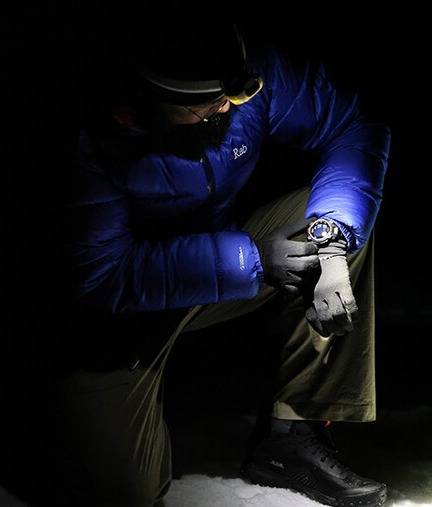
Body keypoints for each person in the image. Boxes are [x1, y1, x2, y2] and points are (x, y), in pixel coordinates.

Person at [49, 10, 391, 507]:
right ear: (148, 100)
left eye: (234, 96)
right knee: (120, 492)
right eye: (205, 104)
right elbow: (101, 274)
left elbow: (352, 125)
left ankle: (291, 438)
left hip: (220, 268)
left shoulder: (247, 74)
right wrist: (249, 260)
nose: (226, 110)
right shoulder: (89, 139)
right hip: (114, 319)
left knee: (329, 226)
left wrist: (333, 243)